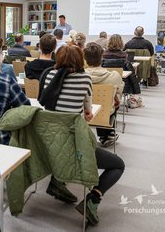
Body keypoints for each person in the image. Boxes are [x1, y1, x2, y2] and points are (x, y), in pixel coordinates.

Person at [38, 45, 124, 226]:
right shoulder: (85, 78)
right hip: (73, 144)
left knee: (62, 143)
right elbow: (88, 113)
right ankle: (93, 198)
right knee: (118, 165)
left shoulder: (48, 75)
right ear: (80, 60)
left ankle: (57, 181)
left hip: (48, 141)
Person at [84, 43, 124, 147]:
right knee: (115, 101)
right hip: (105, 115)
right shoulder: (114, 76)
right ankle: (107, 135)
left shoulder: (79, 76)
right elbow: (120, 91)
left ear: (85, 58)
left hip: (84, 114)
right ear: (102, 57)